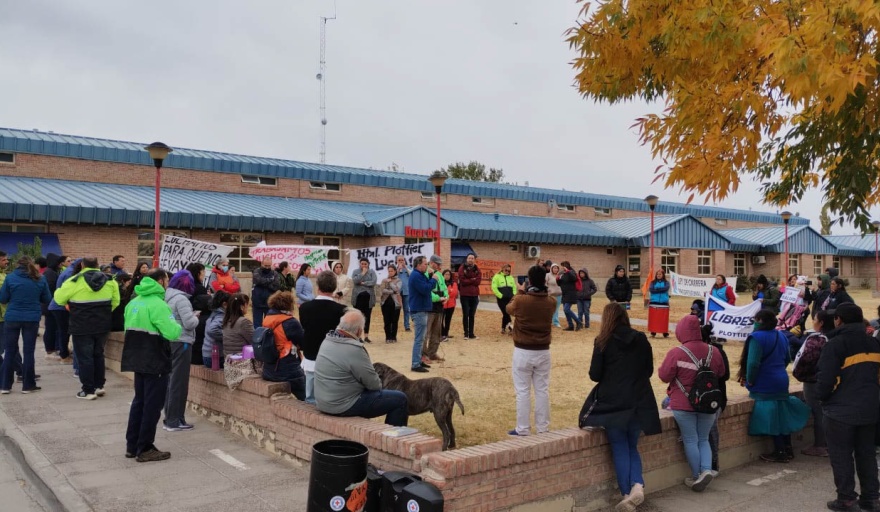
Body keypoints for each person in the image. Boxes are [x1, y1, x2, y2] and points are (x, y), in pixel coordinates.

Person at [580, 303, 661, 512]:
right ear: (625, 317)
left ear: (606, 319)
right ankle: (637, 485)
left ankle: (627, 493)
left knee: (619, 446)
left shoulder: (602, 341)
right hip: (639, 399)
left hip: (613, 402)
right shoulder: (641, 339)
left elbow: (595, 374)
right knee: (631, 445)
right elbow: (649, 370)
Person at [816, 303, 880, 511]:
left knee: (841, 456)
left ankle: (846, 499)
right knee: (866, 454)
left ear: (839, 320)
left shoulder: (835, 345)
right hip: (870, 408)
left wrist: (822, 398)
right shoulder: (874, 343)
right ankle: (871, 498)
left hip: (840, 411)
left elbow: (826, 381)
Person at [658, 315, 726, 492]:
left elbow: (664, 375)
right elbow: (721, 372)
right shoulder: (714, 351)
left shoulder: (677, 353)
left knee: (690, 439)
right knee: (703, 439)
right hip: (708, 402)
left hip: (683, 403)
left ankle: (696, 476)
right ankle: (706, 470)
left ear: (681, 330)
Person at [122, 269, 182, 463]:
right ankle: (145, 447)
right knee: (152, 405)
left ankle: (132, 445)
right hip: (154, 359)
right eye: (166, 280)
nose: (167, 284)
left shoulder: (133, 302)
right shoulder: (159, 305)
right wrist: (178, 324)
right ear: (160, 281)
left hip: (135, 357)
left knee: (139, 401)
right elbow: (173, 333)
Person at [736, 308, 809, 463]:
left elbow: (753, 363)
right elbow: (786, 358)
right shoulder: (781, 335)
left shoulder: (757, 337)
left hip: (765, 381)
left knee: (773, 418)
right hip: (781, 379)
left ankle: (780, 451)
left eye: (755, 320)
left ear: (760, 321)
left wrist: (750, 380)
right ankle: (788, 448)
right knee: (782, 415)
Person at [314, 310, 408, 426]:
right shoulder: (354, 349)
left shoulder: (328, 340)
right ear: (359, 331)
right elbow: (374, 385)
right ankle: (393, 439)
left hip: (323, 401)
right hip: (342, 405)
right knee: (400, 399)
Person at [54, 256, 121, 400]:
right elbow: (116, 302)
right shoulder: (110, 280)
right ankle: (99, 386)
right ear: (97, 265)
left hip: (81, 324)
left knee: (85, 357)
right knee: (98, 354)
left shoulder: (74, 281)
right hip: (102, 324)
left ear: (82, 265)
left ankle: (88, 390)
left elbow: (59, 299)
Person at [506, 265, 556, 436]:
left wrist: (520, 291)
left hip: (523, 350)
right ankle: (543, 428)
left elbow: (509, 308)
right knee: (542, 390)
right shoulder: (551, 302)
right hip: (543, 350)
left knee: (523, 391)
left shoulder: (521, 300)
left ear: (529, 280)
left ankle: (523, 428)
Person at [0, 257, 51, 394]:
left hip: (12, 317)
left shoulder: (10, 278)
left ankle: (4, 385)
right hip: (32, 317)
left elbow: (3, 298)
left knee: (9, 351)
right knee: (29, 352)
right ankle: (28, 385)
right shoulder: (39, 278)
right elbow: (47, 299)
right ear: (32, 264)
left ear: (17, 265)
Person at [299, 271, 347, 404]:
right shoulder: (342, 310)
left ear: (317, 286)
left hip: (312, 356)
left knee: (310, 399)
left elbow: (304, 326)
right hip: (333, 358)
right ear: (334, 288)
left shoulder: (304, 308)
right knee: (333, 398)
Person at [791, 310, 833, 457]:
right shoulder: (836, 336)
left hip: (815, 381)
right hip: (834, 380)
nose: (813, 322)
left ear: (821, 323)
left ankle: (821, 445)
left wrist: (801, 375)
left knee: (819, 412)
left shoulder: (817, 340)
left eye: (815, 319)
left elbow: (806, 359)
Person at [163, 269, 199, 431]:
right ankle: (174, 420)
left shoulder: (167, 297)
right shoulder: (182, 300)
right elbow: (189, 323)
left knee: (171, 381)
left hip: (170, 341)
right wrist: (195, 316)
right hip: (182, 342)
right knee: (179, 382)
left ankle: (171, 417)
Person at [261, 291, 307, 400]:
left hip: (269, 368)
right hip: (287, 370)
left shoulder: (267, 319)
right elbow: (304, 343)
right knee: (306, 394)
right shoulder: (290, 322)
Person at [49, 257, 81, 365]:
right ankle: (64, 355)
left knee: (63, 330)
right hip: (61, 306)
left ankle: (64, 352)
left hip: (59, 305)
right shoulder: (70, 274)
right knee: (64, 331)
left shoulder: (69, 271)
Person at [408, 256, 433, 373]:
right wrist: (435, 280)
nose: (426, 266)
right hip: (419, 310)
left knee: (422, 338)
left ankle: (418, 360)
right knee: (419, 339)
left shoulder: (420, 275)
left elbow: (426, 284)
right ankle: (415, 364)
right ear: (418, 265)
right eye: (425, 264)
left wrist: (431, 276)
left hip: (422, 308)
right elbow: (425, 289)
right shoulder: (416, 276)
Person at [423, 255, 448, 364]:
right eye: (437, 264)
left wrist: (446, 297)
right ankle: (423, 355)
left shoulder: (439, 275)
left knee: (436, 332)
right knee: (425, 332)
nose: (439, 266)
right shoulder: (425, 273)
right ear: (431, 263)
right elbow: (426, 290)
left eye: (440, 264)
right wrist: (438, 298)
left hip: (439, 307)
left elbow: (444, 287)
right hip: (429, 306)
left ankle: (432, 353)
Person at [186, 262, 212, 366]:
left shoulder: (186, 286)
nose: (204, 274)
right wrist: (208, 298)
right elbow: (203, 304)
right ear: (198, 274)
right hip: (198, 318)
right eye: (203, 271)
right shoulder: (199, 288)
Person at [41, 253, 64, 359]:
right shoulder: (50, 273)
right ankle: (50, 350)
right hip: (49, 305)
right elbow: (50, 290)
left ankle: (52, 348)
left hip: (50, 305)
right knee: (50, 328)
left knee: (53, 328)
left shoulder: (53, 272)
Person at [351, 258, 378, 343]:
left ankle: (366, 336)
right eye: (362, 264)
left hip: (369, 298)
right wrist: (362, 273)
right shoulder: (356, 271)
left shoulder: (372, 272)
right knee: (358, 317)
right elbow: (355, 281)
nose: (364, 265)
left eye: (365, 264)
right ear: (359, 264)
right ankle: (358, 336)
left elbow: (373, 282)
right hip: (358, 297)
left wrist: (363, 283)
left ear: (368, 264)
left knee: (367, 317)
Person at [202, 291, 230, 369]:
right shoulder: (220, 316)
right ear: (225, 304)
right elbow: (212, 330)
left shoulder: (213, 314)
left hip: (207, 355)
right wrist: (227, 336)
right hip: (215, 358)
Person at [457, 253, 481, 339]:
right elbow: (462, 281)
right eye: (469, 258)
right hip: (465, 295)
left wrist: (469, 280)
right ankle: (465, 333)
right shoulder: (462, 268)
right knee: (465, 314)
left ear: (474, 259)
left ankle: (471, 333)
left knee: (472, 314)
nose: (470, 259)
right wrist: (472, 280)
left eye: (472, 258)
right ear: (466, 259)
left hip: (474, 295)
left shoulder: (477, 269)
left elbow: (478, 281)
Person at [252, 256, 280, 328]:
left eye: (269, 266)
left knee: (269, 325)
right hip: (257, 302)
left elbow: (276, 286)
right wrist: (270, 281)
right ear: (261, 264)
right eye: (265, 265)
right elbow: (258, 280)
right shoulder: (256, 271)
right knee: (257, 325)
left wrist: (264, 283)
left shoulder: (275, 273)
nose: (267, 267)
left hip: (269, 302)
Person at [379, 265, 403, 343]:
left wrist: (391, 283)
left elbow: (397, 289)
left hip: (396, 303)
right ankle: (388, 337)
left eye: (391, 271)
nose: (390, 272)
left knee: (394, 321)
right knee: (387, 321)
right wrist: (392, 291)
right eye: (389, 271)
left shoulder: (398, 280)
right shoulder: (384, 280)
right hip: (385, 303)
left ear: (395, 271)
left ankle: (393, 337)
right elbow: (382, 290)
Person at [492, 264, 517, 334]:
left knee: (506, 313)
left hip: (510, 299)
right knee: (505, 312)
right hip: (501, 299)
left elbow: (514, 287)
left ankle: (503, 328)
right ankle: (511, 327)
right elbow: (494, 287)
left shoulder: (511, 278)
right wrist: (500, 295)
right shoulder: (497, 277)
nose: (507, 272)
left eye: (509, 270)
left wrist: (514, 295)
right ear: (502, 269)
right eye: (506, 270)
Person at [557, 261, 582, 331]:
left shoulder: (571, 272)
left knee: (566, 309)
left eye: (563, 266)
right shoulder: (563, 274)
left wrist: (568, 271)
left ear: (566, 266)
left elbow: (574, 278)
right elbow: (560, 284)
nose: (562, 268)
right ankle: (571, 326)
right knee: (565, 311)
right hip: (565, 294)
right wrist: (557, 279)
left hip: (571, 294)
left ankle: (578, 322)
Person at [647, 269, 670, 338]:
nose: (658, 275)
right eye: (657, 274)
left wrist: (656, 289)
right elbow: (651, 290)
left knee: (664, 318)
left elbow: (666, 289)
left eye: (660, 274)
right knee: (654, 318)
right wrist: (660, 290)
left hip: (664, 302)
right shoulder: (652, 282)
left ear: (663, 275)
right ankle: (653, 331)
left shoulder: (666, 282)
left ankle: (664, 332)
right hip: (654, 302)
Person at [396, 255, 413, 332]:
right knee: (396, 309)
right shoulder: (394, 268)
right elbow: (392, 276)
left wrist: (405, 267)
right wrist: (398, 269)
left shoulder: (408, 267)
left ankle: (407, 326)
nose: (401, 262)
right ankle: (395, 324)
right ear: (397, 261)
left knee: (407, 309)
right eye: (399, 260)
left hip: (406, 291)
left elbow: (412, 275)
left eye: (402, 260)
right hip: (397, 292)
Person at [442, 270, 458, 340]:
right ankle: (442, 333)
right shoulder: (441, 283)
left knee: (448, 320)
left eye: (448, 274)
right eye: (445, 274)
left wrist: (447, 292)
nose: (447, 276)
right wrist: (448, 292)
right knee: (441, 320)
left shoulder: (453, 283)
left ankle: (446, 333)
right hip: (442, 305)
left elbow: (454, 293)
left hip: (451, 305)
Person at [546, 264, 563, 328]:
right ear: (551, 269)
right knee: (549, 309)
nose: (555, 269)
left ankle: (556, 322)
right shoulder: (548, 275)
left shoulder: (560, 276)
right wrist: (547, 291)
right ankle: (548, 321)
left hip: (559, 295)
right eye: (554, 268)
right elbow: (545, 283)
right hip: (550, 295)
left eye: (557, 268)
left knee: (556, 309)